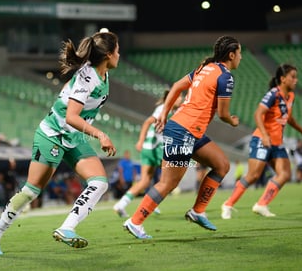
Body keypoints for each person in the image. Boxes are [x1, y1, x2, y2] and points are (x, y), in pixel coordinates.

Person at [0, 30, 120, 255]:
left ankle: (66, 228)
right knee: (31, 191)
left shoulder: (102, 74)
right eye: (117, 51)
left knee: (99, 183)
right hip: (52, 135)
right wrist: (100, 135)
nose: (119, 55)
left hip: (73, 138)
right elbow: (71, 117)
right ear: (107, 54)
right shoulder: (88, 78)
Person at [123, 35, 242, 239]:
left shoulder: (204, 68)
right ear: (231, 55)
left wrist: (164, 112)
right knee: (167, 183)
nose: (241, 57)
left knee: (222, 164)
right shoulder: (225, 76)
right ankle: (135, 222)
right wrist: (232, 120)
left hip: (189, 130)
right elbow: (223, 114)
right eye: (239, 53)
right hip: (183, 131)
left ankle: (197, 211)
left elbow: (177, 86)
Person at [221, 63, 301, 219]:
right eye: (292, 77)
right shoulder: (273, 94)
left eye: (296, 77)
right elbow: (258, 114)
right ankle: (228, 204)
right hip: (262, 139)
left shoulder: (290, 96)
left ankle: (261, 204)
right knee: (253, 175)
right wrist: (264, 135)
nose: (296, 80)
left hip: (277, 143)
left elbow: (289, 118)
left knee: (284, 174)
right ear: (283, 79)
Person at [113, 90, 182, 218]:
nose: (181, 99)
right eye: (179, 97)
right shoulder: (163, 108)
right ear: (171, 98)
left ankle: (121, 205)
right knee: (169, 179)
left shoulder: (174, 111)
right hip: (156, 148)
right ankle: (151, 203)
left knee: (145, 181)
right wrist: (140, 140)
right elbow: (147, 122)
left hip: (148, 148)